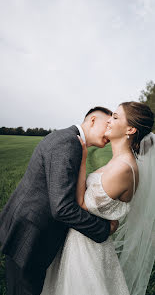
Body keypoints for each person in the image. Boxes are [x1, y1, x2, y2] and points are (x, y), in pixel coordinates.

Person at [0, 106, 119, 295]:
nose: (109, 131)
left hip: (31, 228)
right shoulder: (68, 143)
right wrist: (103, 229)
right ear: (92, 120)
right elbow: (62, 208)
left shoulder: (69, 140)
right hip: (31, 234)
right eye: (107, 124)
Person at [41, 101, 155, 295]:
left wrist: (83, 159)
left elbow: (82, 204)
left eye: (116, 117)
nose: (109, 120)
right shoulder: (119, 161)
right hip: (84, 239)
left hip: (87, 248)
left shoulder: (123, 168)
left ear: (130, 129)